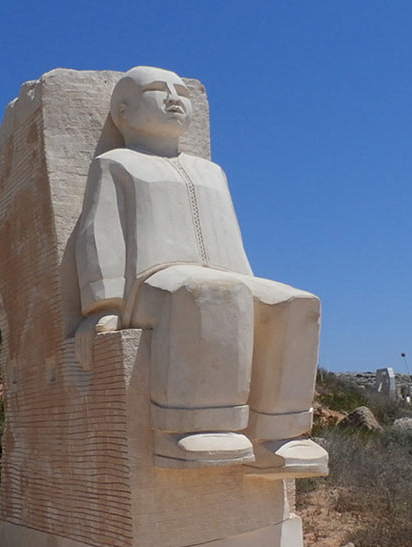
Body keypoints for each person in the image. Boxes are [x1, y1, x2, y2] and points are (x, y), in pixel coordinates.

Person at [73, 66, 326, 476]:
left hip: (227, 276)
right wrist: (103, 306)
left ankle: (277, 436)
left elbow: (231, 238)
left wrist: (257, 294)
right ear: (123, 112)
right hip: (153, 281)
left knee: (296, 304)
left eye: (181, 91)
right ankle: (189, 427)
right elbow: (99, 232)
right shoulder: (116, 164)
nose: (175, 98)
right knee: (208, 295)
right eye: (159, 90)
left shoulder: (212, 173)